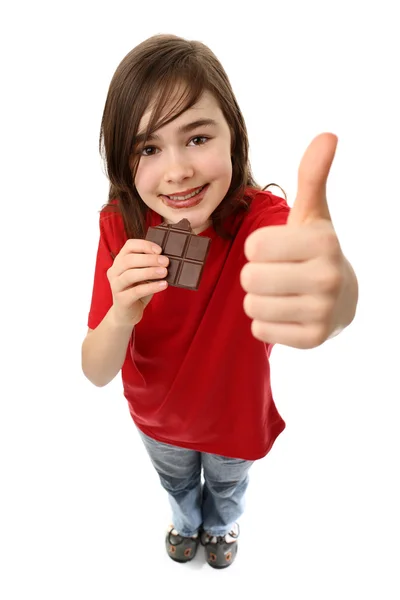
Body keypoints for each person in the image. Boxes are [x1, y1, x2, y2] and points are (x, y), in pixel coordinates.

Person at [81, 34, 358, 569]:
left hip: (234, 422)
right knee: (177, 486)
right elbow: (95, 371)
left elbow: (317, 274)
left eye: (197, 137)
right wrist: (121, 313)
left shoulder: (262, 222)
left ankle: (223, 525)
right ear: (123, 160)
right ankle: (187, 523)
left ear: (234, 134)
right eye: (148, 148)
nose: (178, 170)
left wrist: (338, 292)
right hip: (156, 422)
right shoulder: (121, 227)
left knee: (228, 490)